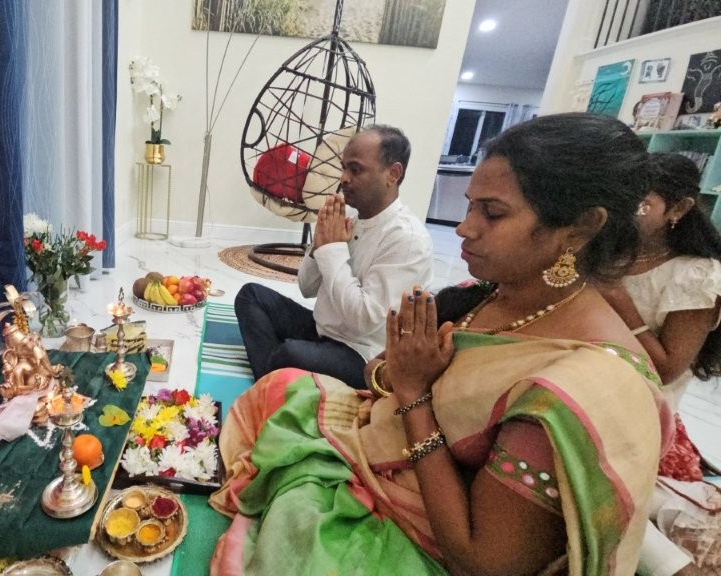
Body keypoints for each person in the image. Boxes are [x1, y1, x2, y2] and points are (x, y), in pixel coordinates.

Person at [209, 113, 670, 575]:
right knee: (280, 375)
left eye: (492, 213)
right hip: (379, 426)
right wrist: (325, 247)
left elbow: (480, 563)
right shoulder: (488, 293)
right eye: (470, 206)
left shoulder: (577, 386)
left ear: (580, 228)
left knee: (293, 507)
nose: (464, 228)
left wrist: (413, 394)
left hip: (424, 527)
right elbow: (378, 365)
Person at [234, 125, 433, 389]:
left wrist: (332, 249)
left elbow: (363, 321)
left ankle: (272, 381)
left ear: (393, 174)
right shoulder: (349, 217)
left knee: (289, 353)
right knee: (251, 296)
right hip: (322, 331)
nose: (344, 178)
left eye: (355, 169)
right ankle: (278, 382)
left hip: (361, 354)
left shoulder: (408, 239)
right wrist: (319, 245)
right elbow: (306, 288)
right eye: (344, 168)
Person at [598, 152, 721, 576]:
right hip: (591, 388)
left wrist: (621, 306)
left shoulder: (696, 275)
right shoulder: (614, 251)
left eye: (640, 203)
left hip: (645, 411)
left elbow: (668, 369)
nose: (625, 211)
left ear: (679, 208)